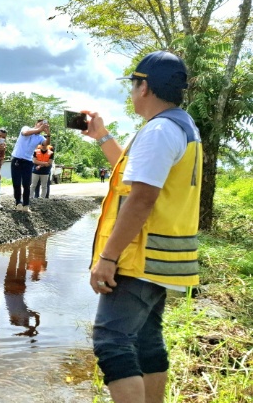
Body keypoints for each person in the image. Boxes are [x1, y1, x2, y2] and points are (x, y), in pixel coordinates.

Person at [86, 51, 202, 403]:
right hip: (163, 260)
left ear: (145, 87)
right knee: (147, 341)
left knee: (111, 341)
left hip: (140, 257)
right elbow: (135, 177)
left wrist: (108, 258)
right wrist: (103, 137)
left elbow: (141, 199)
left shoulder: (160, 130)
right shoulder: (180, 125)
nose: (132, 92)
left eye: (134, 85)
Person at [11, 119, 50, 212]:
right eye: (40, 124)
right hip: (17, 159)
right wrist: (39, 129)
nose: (41, 126)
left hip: (28, 162)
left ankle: (26, 205)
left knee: (26, 184)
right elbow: (24, 133)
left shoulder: (40, 137)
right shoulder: (26, 128)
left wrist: (48, 133)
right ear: (35, 124)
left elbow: (47, 143)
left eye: (43, 125)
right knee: (16, 183)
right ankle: (18, 203)